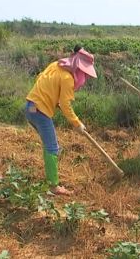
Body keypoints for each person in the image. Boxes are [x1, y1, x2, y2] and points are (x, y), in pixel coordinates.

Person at [25, 45, 97, 195]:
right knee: (51, 147)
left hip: (30, 107)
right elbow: (65, 105)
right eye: (83, 73)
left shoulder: (55, 65)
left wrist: (52, 99)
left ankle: (51, 171)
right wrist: (77, 123)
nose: (84, 77)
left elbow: (39, 78)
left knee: (49, 145)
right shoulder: (68, 78)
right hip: (40, 111)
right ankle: (54, 186)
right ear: (78, 69)